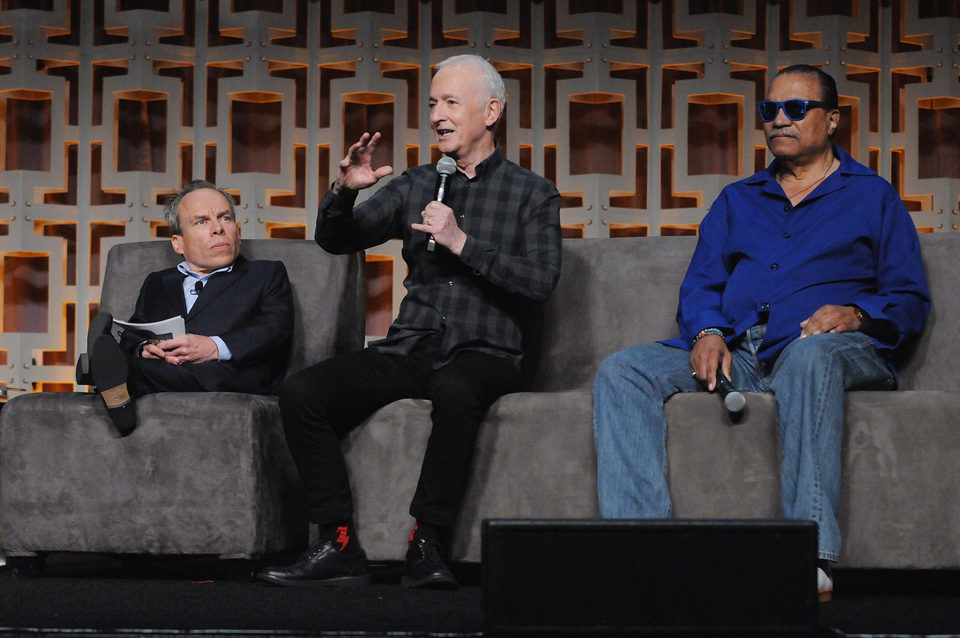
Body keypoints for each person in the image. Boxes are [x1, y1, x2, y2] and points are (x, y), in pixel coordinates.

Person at [592, 65, 930, 602]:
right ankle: (644, 550)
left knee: (810, 358)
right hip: (746, 351)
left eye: (795, 109)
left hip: (839, 348)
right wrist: (706, 330)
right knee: (622, 370)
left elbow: (909, 297)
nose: (778, 119)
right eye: (770, 110)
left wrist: (856, 314)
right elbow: (701, 283)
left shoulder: (873, 196)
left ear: (832, 119)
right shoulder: (737, 199)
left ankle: (808, 554)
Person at [257, 54, 562, 589]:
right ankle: (339, 543)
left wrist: (462, 243)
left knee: (455, 387)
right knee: (304, 392)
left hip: (485, 352)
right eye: (433, 104)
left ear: (491, 112)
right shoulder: (417, 184)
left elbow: (540, 282)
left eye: (451, 102)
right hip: (413, 346)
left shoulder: (532, 194)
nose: (437, 115)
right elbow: (337, 239)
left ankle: (427, 543)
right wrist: (346, 190)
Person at [77, 180, 294, 436]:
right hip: (170, 369)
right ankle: (117, 379)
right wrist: (144, 348)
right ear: (178, 243)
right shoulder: (158, 282)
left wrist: (213, 347)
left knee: (203, 373)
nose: (218, 229)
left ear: (237, 230)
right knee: (132, 354)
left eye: (225, 218)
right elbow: (137, 330)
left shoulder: (265, 273)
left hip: (233, 374)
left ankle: (105, 375)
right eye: (201, 221)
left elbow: (274, 328)